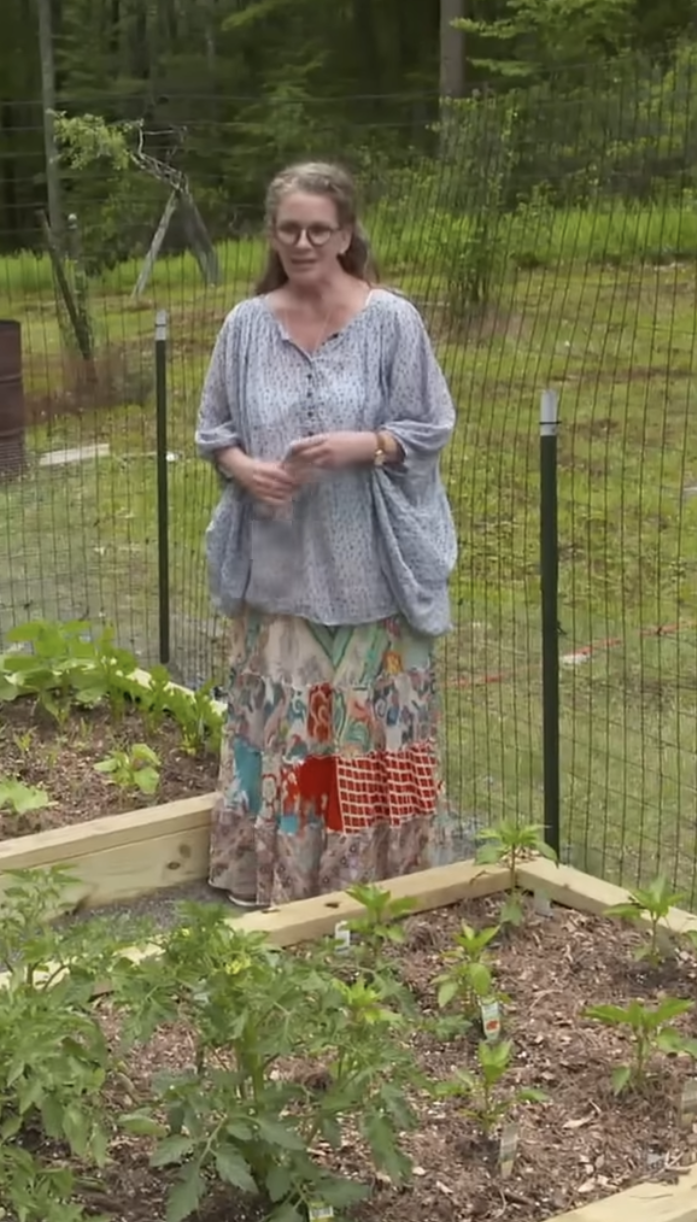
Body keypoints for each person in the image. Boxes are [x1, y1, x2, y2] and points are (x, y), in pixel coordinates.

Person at [193, 160, 465, 910]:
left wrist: (365, 445)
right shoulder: (246, 325)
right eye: (289, 229)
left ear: (346, 233)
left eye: (319, 229)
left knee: (373, 727)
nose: (304, 242)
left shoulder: (390, 321)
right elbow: (212, 430)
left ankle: (384, 877)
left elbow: (429, 425)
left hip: (370, 569)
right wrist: (245, 468)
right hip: (278, 572)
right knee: (289, 728)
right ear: (272, 234)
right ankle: (284, 875)